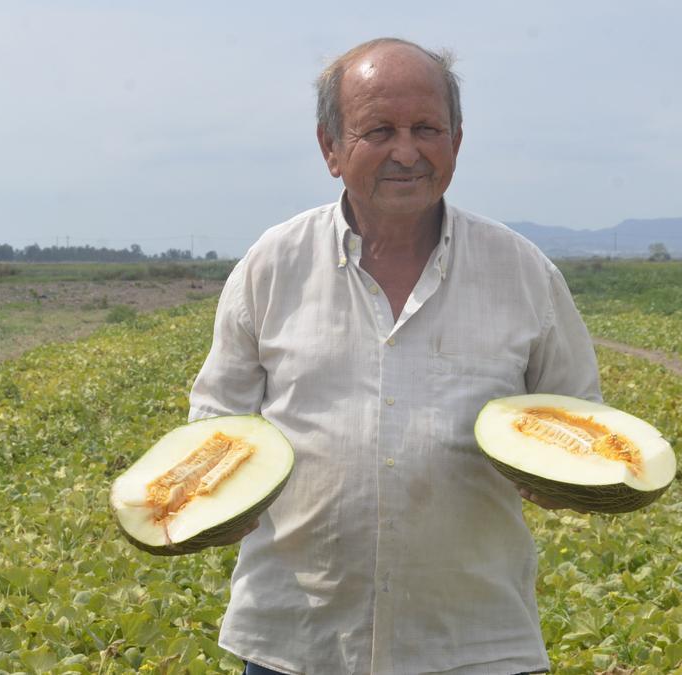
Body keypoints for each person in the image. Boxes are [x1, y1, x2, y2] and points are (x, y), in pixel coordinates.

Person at [188, 37, 601, 675]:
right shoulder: (272, 265)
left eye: (427, 128)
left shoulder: (523, 272)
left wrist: (565, 481)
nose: (406, 152)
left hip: (475, 644)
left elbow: (581, 424)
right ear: (330, 148)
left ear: (457, 141)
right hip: (297, 642)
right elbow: (215, 424)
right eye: (378, 130)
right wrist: (215, 505)